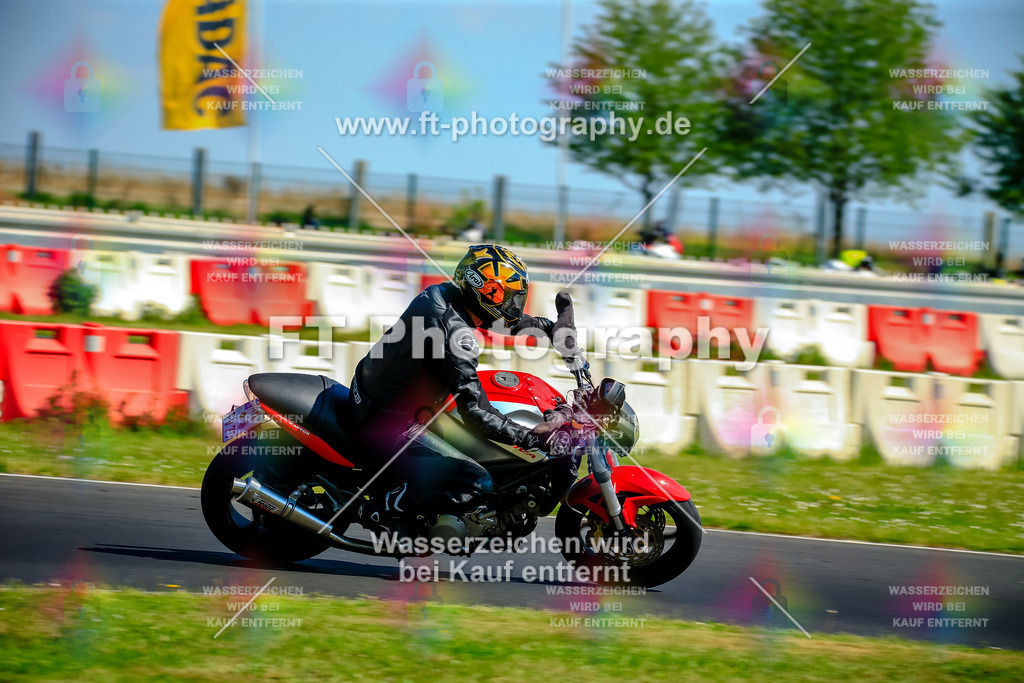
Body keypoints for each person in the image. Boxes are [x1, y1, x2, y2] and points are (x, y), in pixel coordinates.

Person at [341, 244, 569, 517]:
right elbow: (476, 413)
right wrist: (531, 438)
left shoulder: (443, 295)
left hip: (376, 395)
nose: (512, 305)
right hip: (387, 422)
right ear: (484, 290)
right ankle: (380, 509)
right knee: (476, 482)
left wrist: (547, 327)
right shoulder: (455, 336)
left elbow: (497, 319)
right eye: (506, 296)